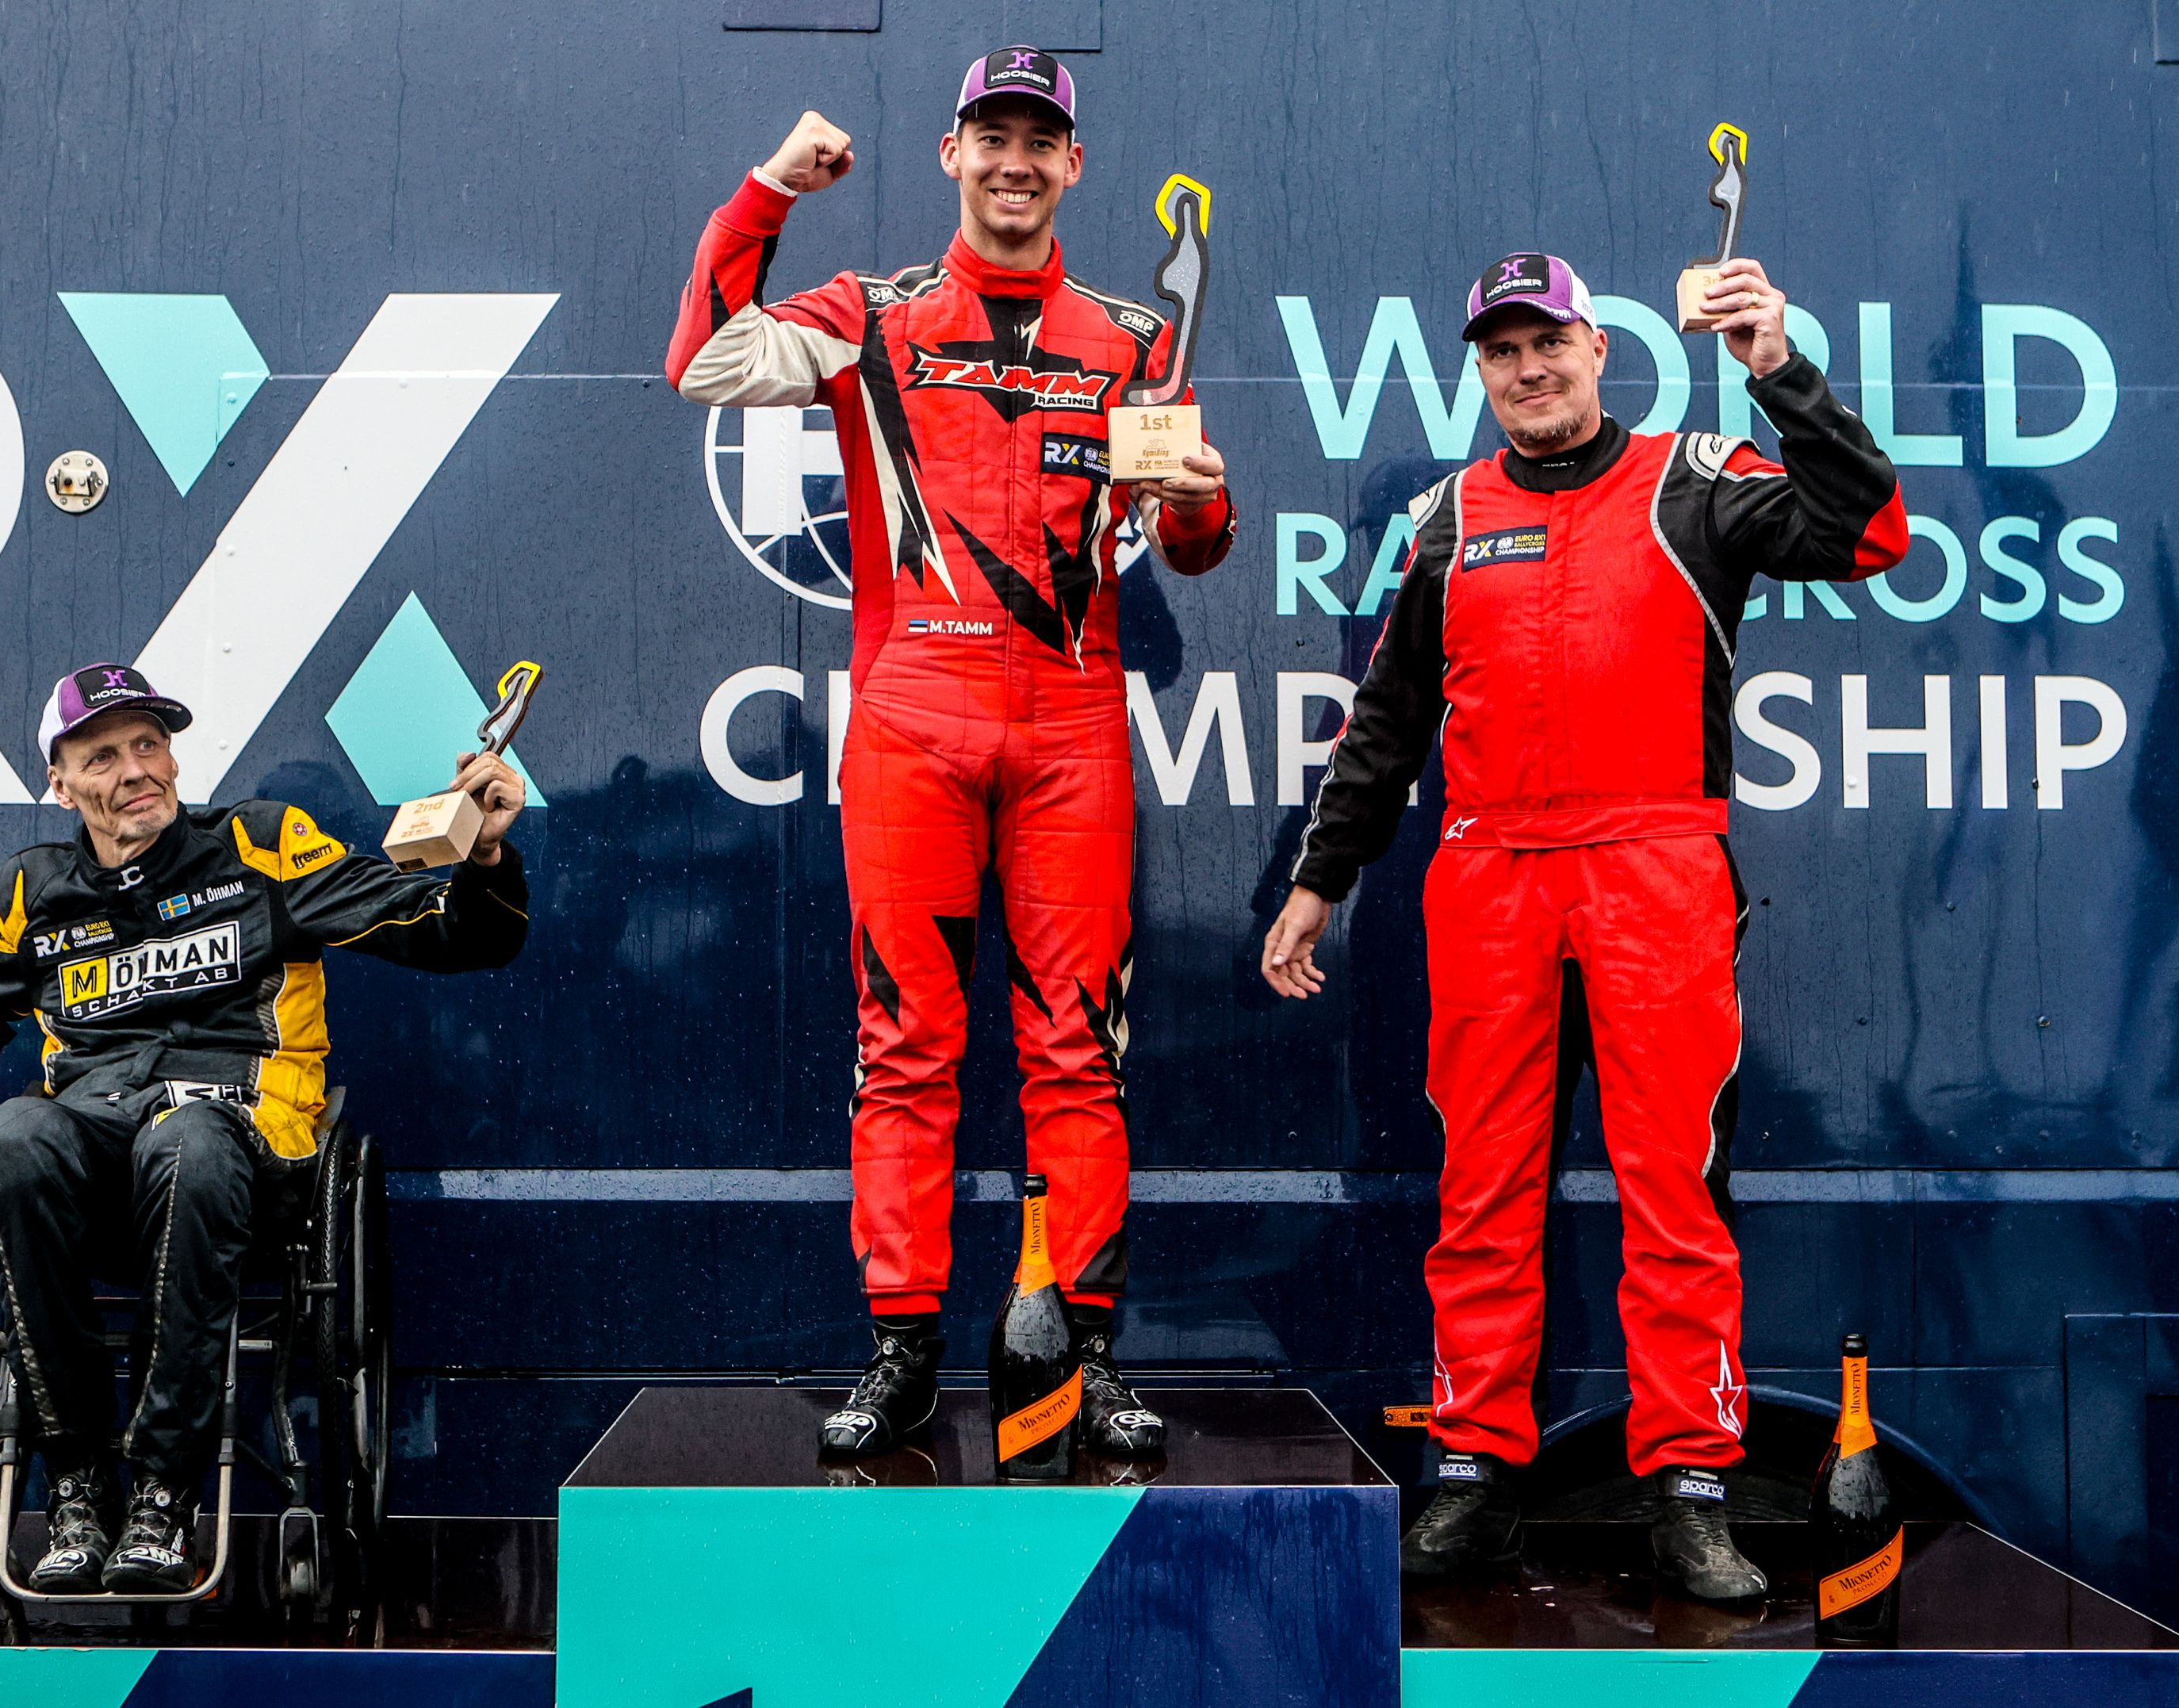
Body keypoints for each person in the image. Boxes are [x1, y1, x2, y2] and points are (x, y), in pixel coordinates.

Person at [1260, 253, 1907, 1595]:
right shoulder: (1452, 514)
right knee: (1480, 1195)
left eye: (1547, 341)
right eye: (1502, 351)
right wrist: (1322, 876)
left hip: (1656, 864)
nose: (1528, 368)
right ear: (1481, 370)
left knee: (1675, 1197)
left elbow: (1868, 529)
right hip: (1489, 871)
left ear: (1598, 348)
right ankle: (1475, 1475)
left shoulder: (1693, 479)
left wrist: (1779, 367)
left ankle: (1690, 1489)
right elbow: (1389, 717)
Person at [667, 48, 1239, 1458]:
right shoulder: (869, 314)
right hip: (913, 709)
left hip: (1072, 720)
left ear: (1074, 166)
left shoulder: (1134, 337)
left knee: (1080, 1050)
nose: (1015, 161)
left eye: (1040, 140)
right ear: (951, 153)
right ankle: (903, 1348)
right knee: (904, 1043)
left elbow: (1187, 542)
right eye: (993, 135)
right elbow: (704, 365)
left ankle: (1080, 1349)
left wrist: (1198, 505)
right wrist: (767, 193)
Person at [0, 663, 529, 1594]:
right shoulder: (30, 891)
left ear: (173, 757)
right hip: (96, 1155)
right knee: (12, 1140)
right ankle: (78, 1487)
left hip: (244, 1148)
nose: (135, 769)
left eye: (148, 744)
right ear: (62, 785)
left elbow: (450, 933)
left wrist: (482, 857)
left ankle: (163, 1495)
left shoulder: (259, 845)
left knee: (191, 1137)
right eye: (102, 756)